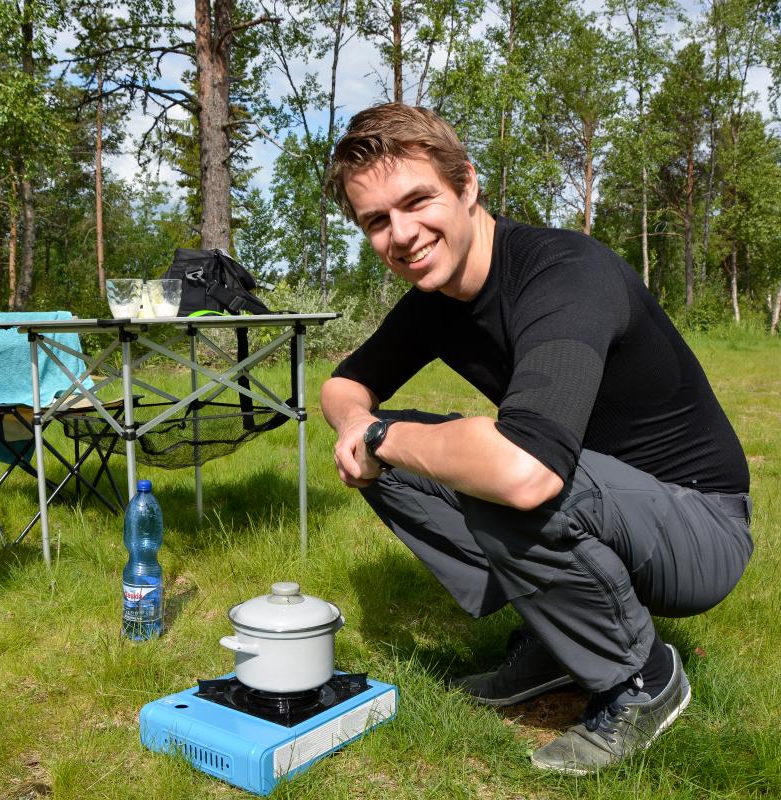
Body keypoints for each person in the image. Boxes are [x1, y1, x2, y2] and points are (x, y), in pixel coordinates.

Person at [320, 102, 753, 774]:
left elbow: (525, 472)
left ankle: (641, 676)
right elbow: (342, 387)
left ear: (467, 184)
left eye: (417, 200)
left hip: (700, 524)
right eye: (377, 220)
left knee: (499, 470)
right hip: (607, 498)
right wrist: (360, 427)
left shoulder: (563, 272)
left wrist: (384, 437)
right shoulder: (434, 304)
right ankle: (560, 640)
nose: (401, 234)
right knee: (395, 454)